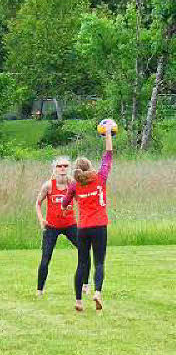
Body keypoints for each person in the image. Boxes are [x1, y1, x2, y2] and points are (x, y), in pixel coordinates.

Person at [62, 128, 113, 311]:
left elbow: (64, 202)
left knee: (82, 263)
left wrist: (67, 205)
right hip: (99, 226)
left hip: (82, 228)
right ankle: (97, 293)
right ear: (90, 167)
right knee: (99, 262)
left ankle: (78, 301)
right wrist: (108, 135)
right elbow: (108, 155)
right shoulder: (100, 178)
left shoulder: (75, 185)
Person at [34, 156, 88, 296]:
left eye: (65, 166)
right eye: (59, 166)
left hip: (70, 225)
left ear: (69, 168)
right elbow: (38, 203)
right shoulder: (48, 185)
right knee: (46, 257)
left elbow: (81, 202)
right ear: (55, 169)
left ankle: (85, 285)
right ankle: (39, 290)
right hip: (51, 226)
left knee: (84, 251)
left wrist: (84, 220)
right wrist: (41, 219)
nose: (62, 168)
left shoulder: (74, 184)